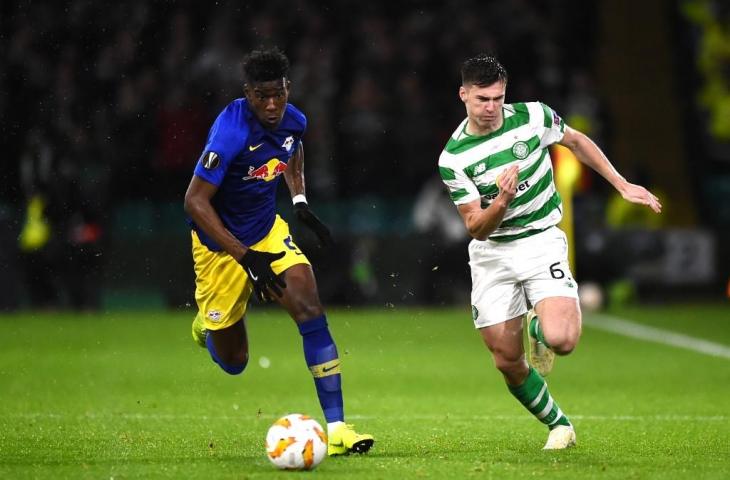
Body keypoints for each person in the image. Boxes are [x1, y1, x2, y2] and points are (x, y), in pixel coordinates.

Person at [438, 55, 661, 449]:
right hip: (493, 253)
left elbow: (574, 140)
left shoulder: (534, 117)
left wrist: (621, 183)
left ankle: (539, 327)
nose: (491, 108)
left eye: (497, 98)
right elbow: (476, 226)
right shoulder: (455, 158)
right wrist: (502, 201)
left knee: (563, 340)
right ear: (463, 95)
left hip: (540, 239)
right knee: (506, 359)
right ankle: (560, 425)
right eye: (482, 99)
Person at [183, 47, 374, 456]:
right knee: (235, 362)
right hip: (220, 247)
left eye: (278, 94)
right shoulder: (231, 131)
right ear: (247, 93)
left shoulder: (294, 120)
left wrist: (300, 201)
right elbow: (195, 203)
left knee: (309, 305)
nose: (271, 105)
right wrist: (243, 256)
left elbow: (293, 147)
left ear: (288, 88)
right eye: (261, 96)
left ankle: (337, 427)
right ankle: (206, 324)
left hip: (267, 231)